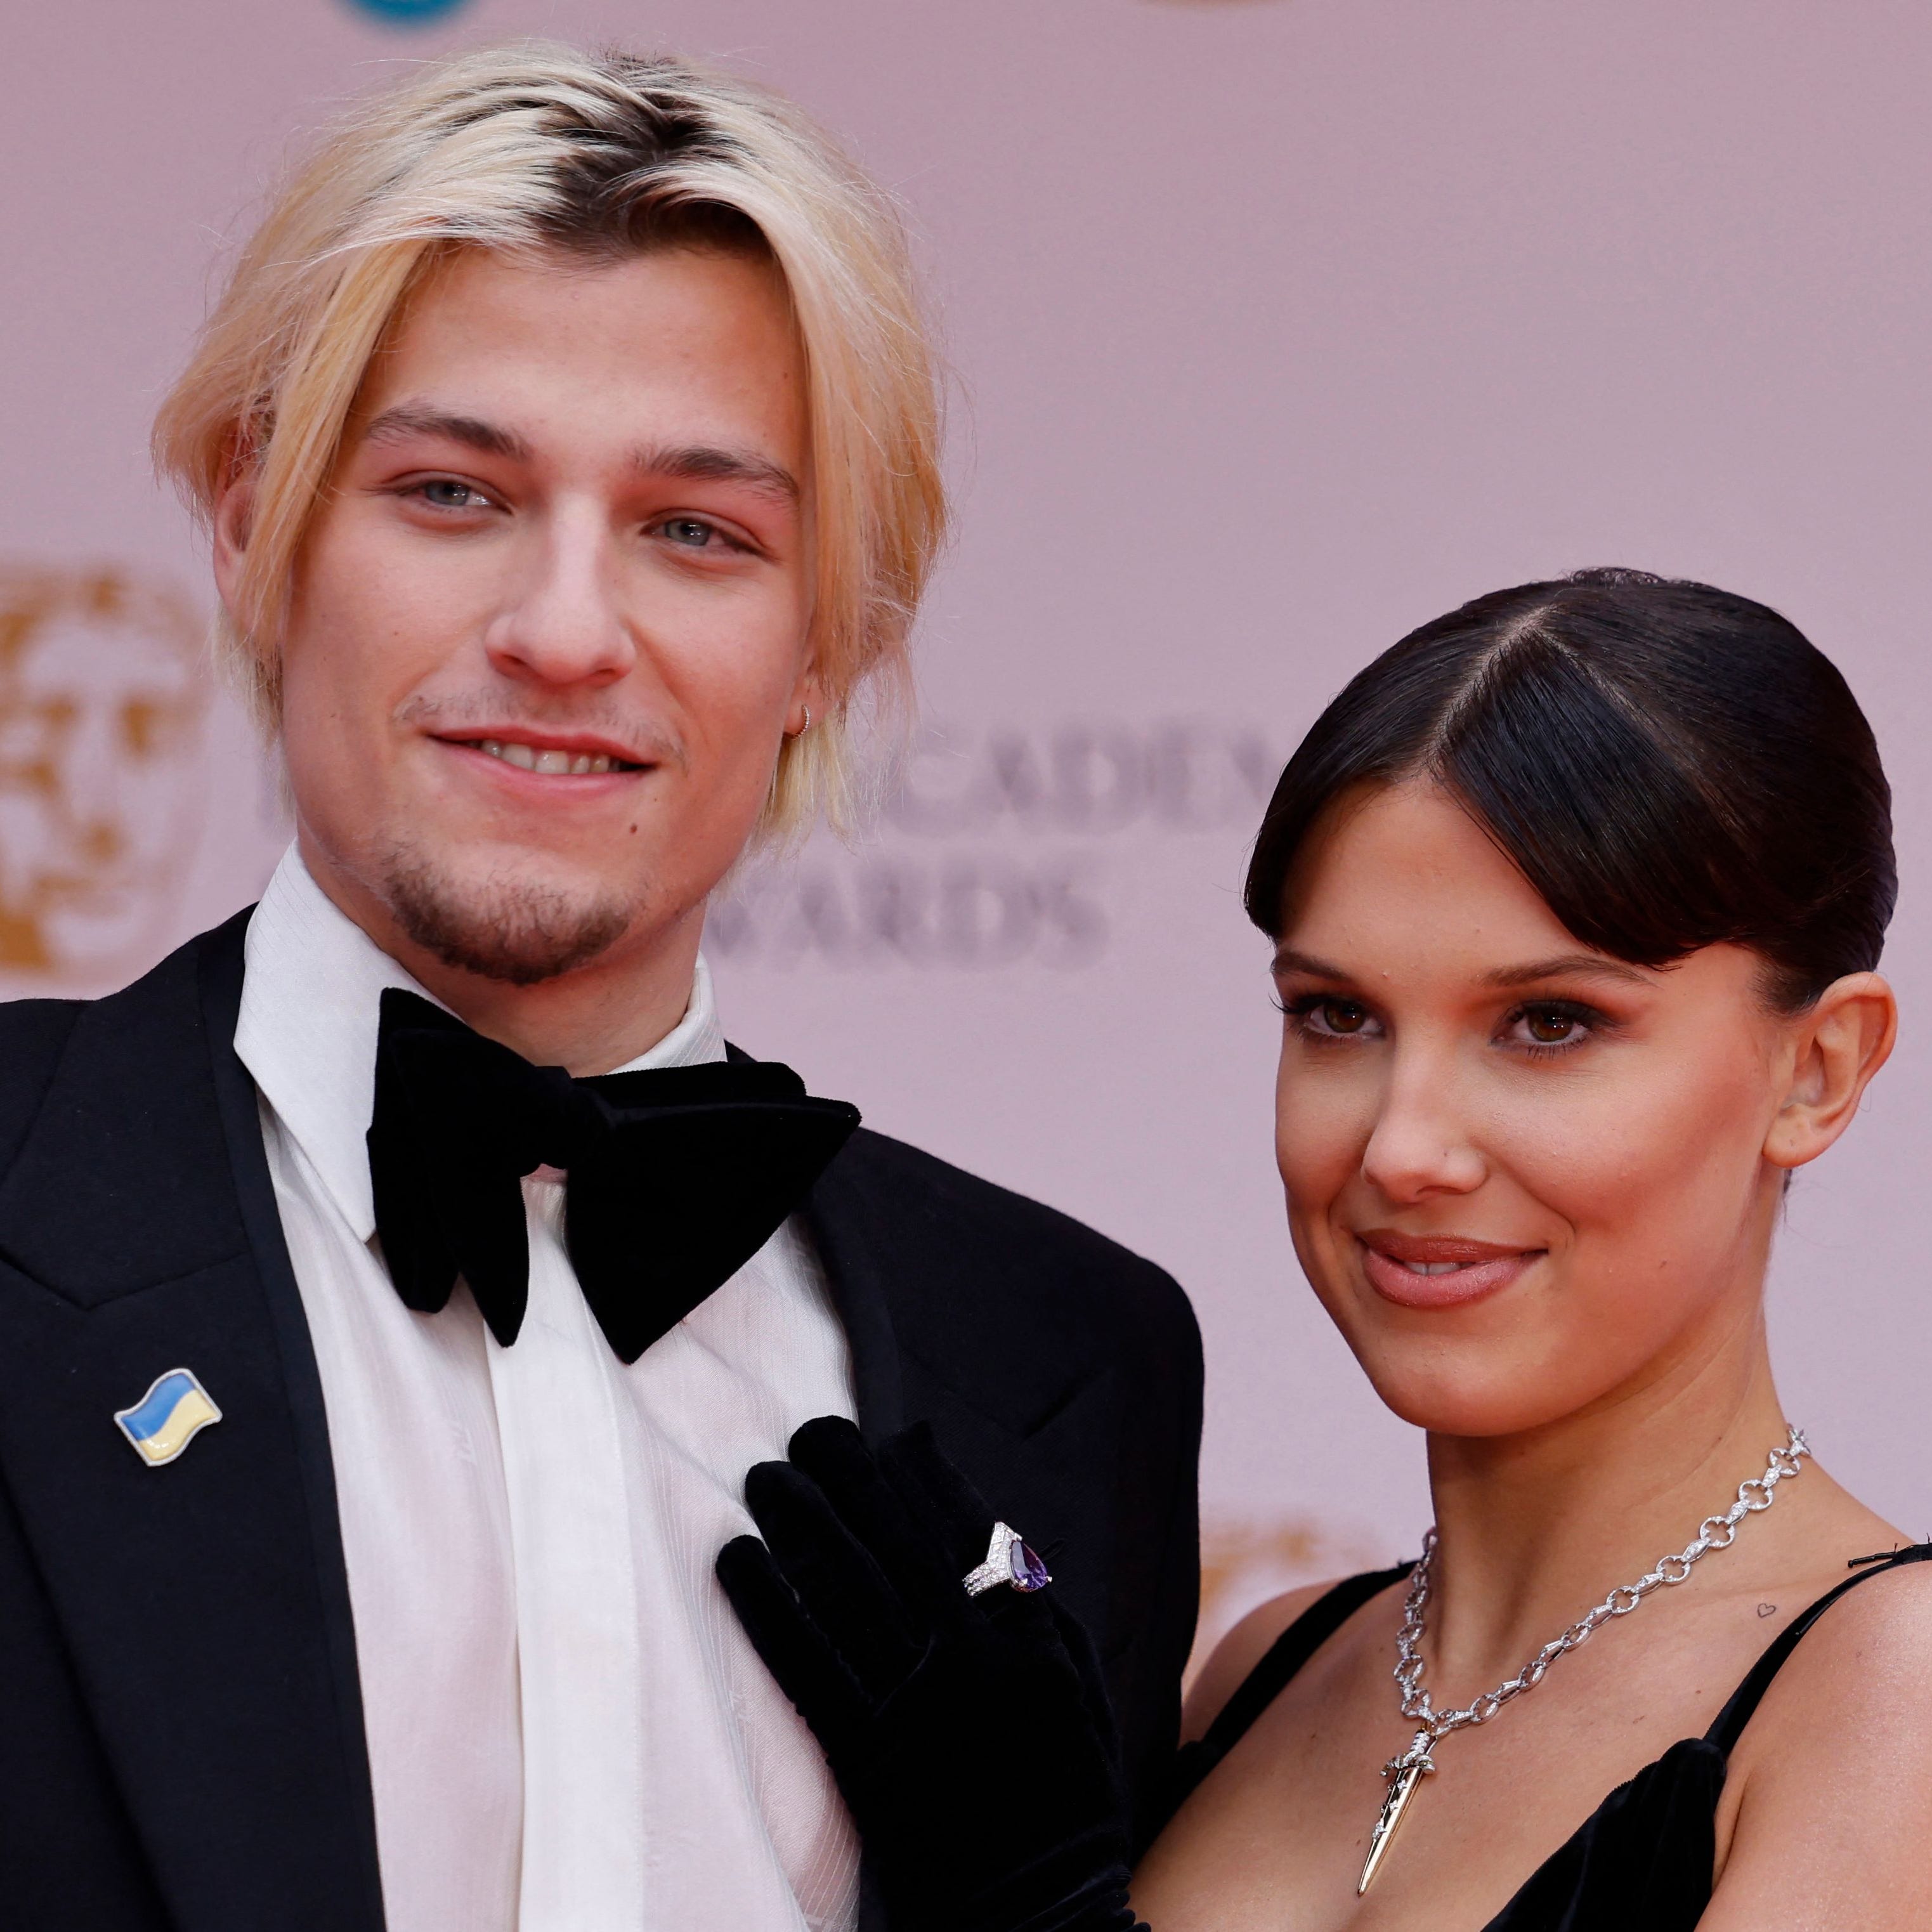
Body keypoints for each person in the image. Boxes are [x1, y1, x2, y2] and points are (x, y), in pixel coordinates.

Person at [0, 43, 1201, 1932]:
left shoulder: (1071, 1362)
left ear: (832, 638)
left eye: (694, 530)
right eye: (453, 492)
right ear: (253, 530)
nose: (563, 630)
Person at [723, 569, 1932, 1931]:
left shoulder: (1894, 1695)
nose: (1402, 1146)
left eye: (1546, 1022)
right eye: (1337, 1016)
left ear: (1816, 1069)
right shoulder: (1264, 1670)